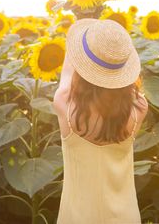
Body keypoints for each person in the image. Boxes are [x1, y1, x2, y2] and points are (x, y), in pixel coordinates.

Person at [53, 18, 149, 224]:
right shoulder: (139, 108)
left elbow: (69, 68)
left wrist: (80, 34)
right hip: (125, 217)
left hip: (76, 217)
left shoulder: (65, 105)